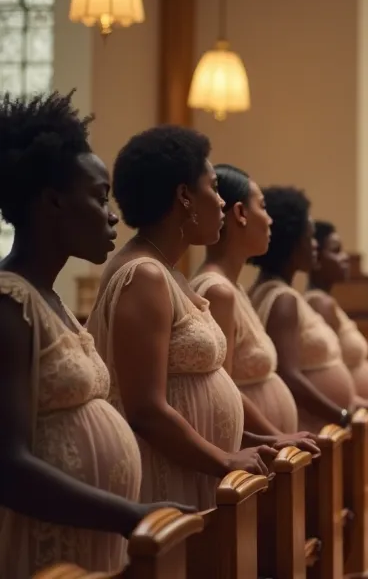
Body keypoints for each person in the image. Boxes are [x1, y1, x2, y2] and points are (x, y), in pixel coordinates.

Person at [0, 92, 188, 576]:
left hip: (90, 545)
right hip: (43, 551)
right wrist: (132, 514)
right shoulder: (8, 302)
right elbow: (8, 466)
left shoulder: (53, 300)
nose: (112, 216)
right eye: (99, 197)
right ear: (53, 202)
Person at [87, 126, 278, 510]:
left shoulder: (167, 271)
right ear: (185, 196)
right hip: (168, 474)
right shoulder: (144, 274)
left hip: (197, 468)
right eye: (213, 188)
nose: (222, 202)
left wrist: (259, 442)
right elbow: (146, 409)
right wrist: (223, 458)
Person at [192, 164, 319, 451]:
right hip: (252, 450)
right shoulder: (217, 289)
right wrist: (275, 434)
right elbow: (222, 391)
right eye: (262, 207)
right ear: (239, 214)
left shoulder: (233, 287)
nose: (270, 220)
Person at [249, 187, 354, 432]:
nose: (315, 245)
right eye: (309, 237)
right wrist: (341, 415)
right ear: (291, 243)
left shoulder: (265, 289)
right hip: (311, 428)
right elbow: (289, 375)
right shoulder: (283, 299)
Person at [307, 220, 368, 405]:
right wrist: (361, 404)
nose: (345, 258)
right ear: (317, 258)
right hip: (352, 413)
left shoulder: (327, 301)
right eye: (335, 251)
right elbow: (331, 369)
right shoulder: (320, 304)